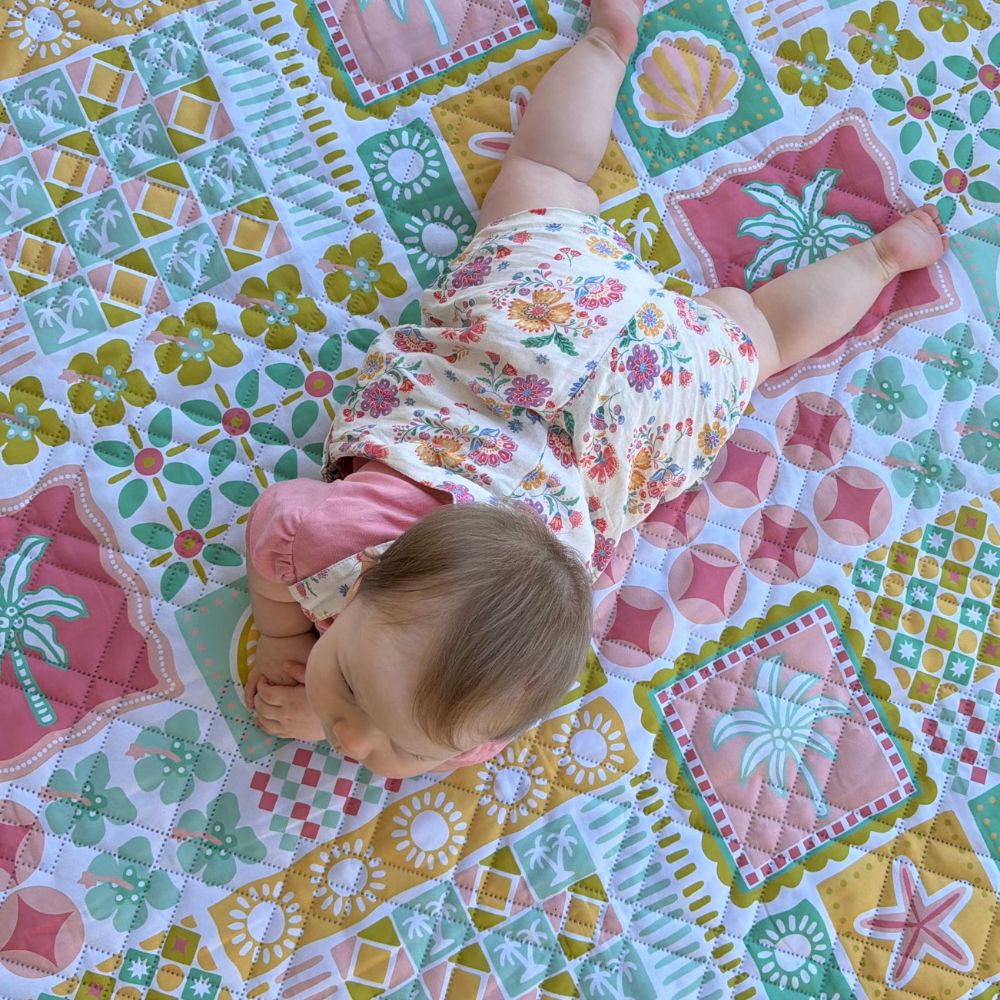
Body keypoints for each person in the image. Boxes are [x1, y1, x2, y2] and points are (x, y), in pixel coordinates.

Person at [242, 0, 948, 778]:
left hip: (607, 368)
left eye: (361, 703)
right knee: (556, 181)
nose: (351, 739)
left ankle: (877, 253)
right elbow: (279, 529)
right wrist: (304, 662)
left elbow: (276, 528)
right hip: (577, 354)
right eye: (363, 704)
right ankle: (873, 255)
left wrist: (296, 663)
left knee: (751, 328)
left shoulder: (439, 644)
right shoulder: (355, 554)